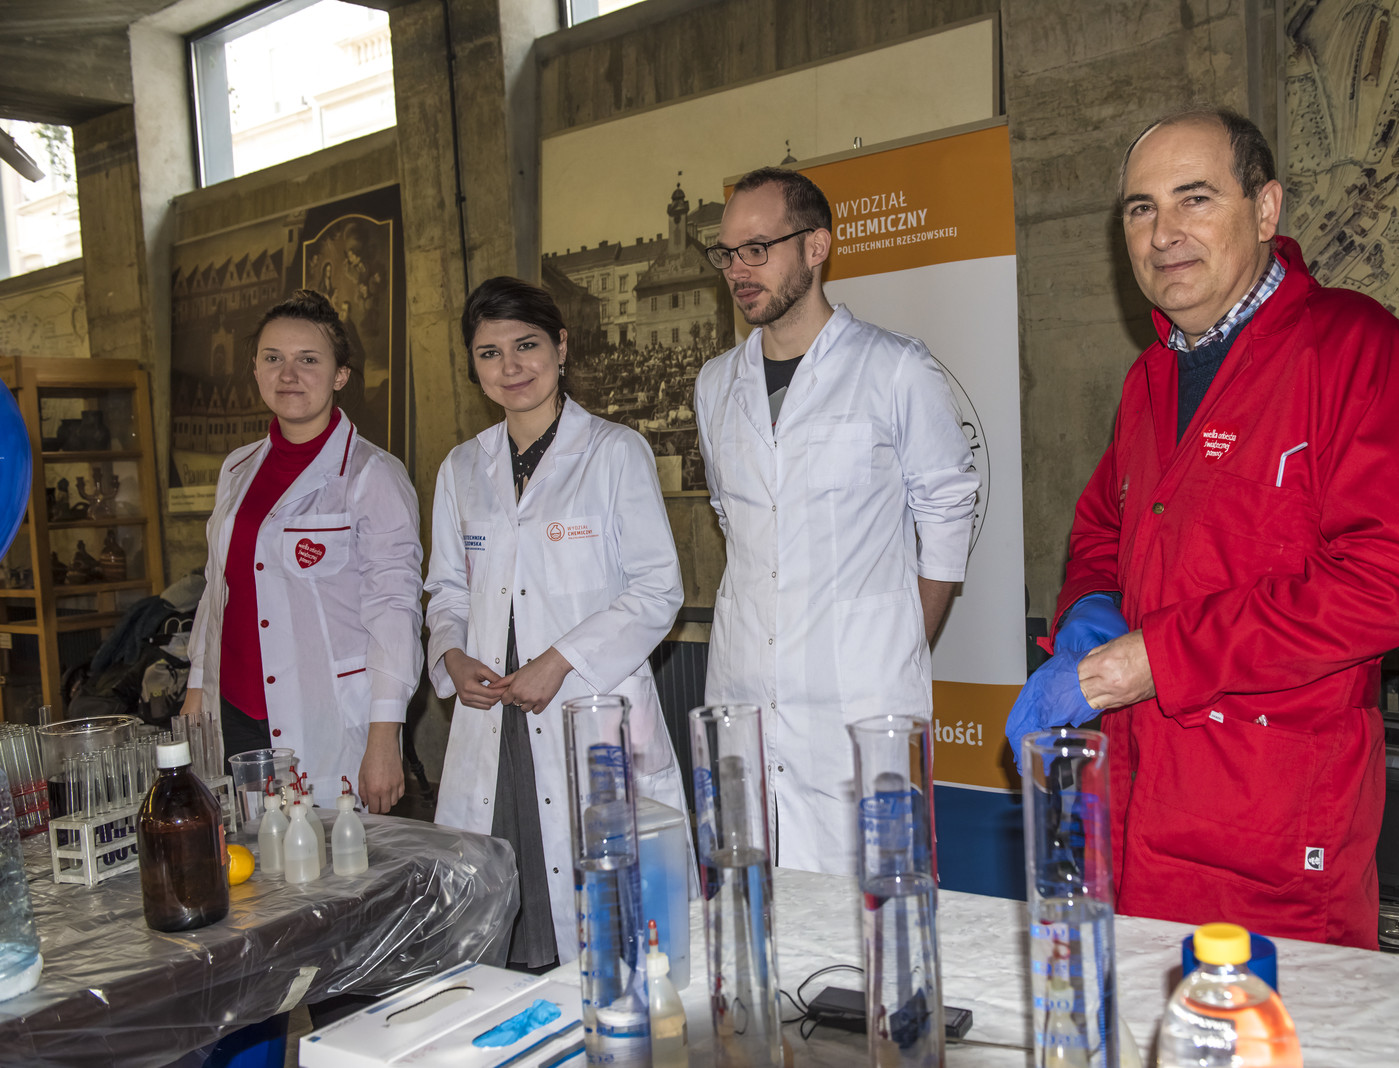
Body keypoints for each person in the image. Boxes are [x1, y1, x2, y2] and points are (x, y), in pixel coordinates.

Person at [1006, 108, 1399, 949]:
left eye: (1195, 198)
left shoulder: (1354, 350)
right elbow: (1102, 526)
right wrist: (1091, 609)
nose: (1163, 233)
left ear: (1265, 210)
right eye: (1141, 209)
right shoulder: (1151, 378)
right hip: (1133, 816)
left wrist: (1152, 658)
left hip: (1274, 836)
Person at [694, 168, 979, 876]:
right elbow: (735, 515)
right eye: (727, 253)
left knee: (870, 905)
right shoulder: (714, 384)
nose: (738, 270)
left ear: (816, 247)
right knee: (752, 896)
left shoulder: (895, 369)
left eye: (757, 249)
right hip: (744, 692)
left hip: (860, 700)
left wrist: (901, 640)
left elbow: (948, 509)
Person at [426, 276, 687, 971]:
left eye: (527, 345)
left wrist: (559, 659)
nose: (510, 367)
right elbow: (446, 590)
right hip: (494, 724)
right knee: (498, 932)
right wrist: (451, 656)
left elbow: (659, 589)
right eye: (489, 353)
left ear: (561, 347)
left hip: (586, 709)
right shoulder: (462, 468)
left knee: (612, 937)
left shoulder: (614, 451)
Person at [183, 289, 422, 813]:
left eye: (308, 360)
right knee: (246, 854)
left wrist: (386, 737)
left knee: (328, 856)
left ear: (340, 375)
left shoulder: (372, 474)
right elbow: (216, 591)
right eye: (273, 358)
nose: (288, 374)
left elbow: (394, 610)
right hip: (233, 714)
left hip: (324, 717)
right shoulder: (237, 469)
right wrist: (197, 692)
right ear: (255, 369)